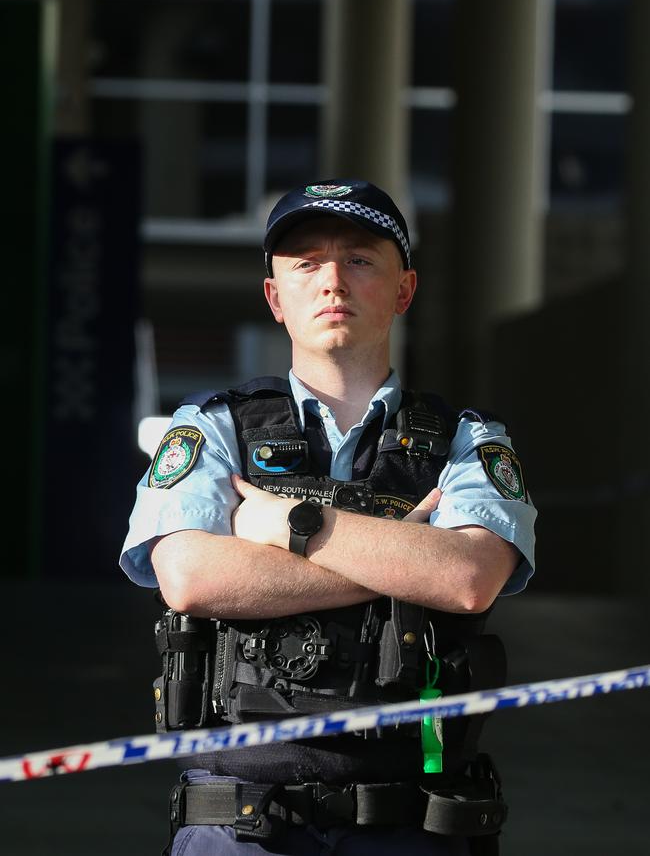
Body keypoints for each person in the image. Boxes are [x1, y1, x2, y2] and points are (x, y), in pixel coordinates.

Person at [120, 179, 537, 856]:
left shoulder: (468, 438)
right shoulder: (212, 426)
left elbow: (468, 577)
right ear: (274, 297)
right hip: (240, 826)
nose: (332, 280)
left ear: (404, 290)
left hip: (413, 823)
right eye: (306, 263)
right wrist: (407, 556)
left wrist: (294, 526)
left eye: (361, 260)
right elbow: (191, 578)